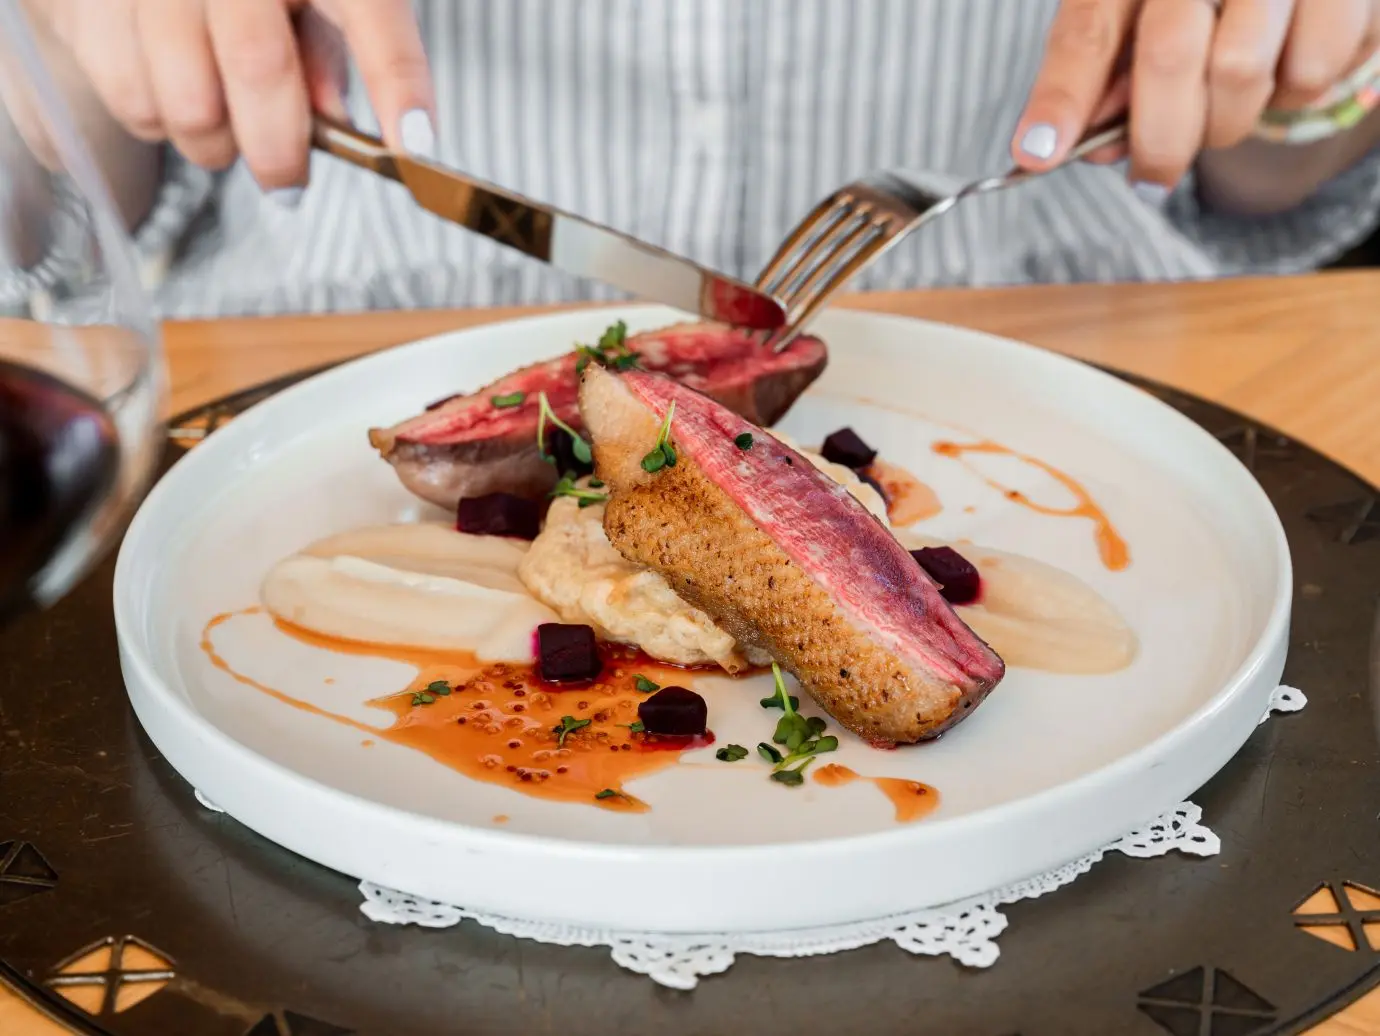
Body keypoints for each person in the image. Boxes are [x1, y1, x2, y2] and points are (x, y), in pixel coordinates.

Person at [12, 0, 1380, 319]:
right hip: (290, 395)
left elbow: (1272, 185)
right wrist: (65, 42)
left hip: (1098, 379)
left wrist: (1310, 67)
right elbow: (44, 238)